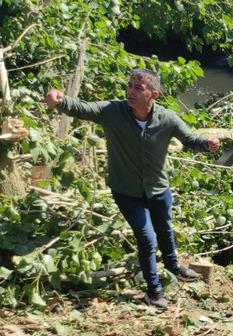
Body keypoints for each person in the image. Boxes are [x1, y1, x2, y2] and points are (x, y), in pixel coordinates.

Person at [44, 69, 220, 309]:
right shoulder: (113, 112)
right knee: (147, 238)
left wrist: (207, 144)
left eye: (139, 88)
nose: (131, 91)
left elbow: (190, 139)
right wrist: (61, 100)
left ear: (153, 95)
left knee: (165, 230)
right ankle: (153, 290)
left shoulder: (167, 119)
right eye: (130, 85)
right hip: (126, 192)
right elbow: (83, 108)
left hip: (158, 189)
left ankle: (172, 265)